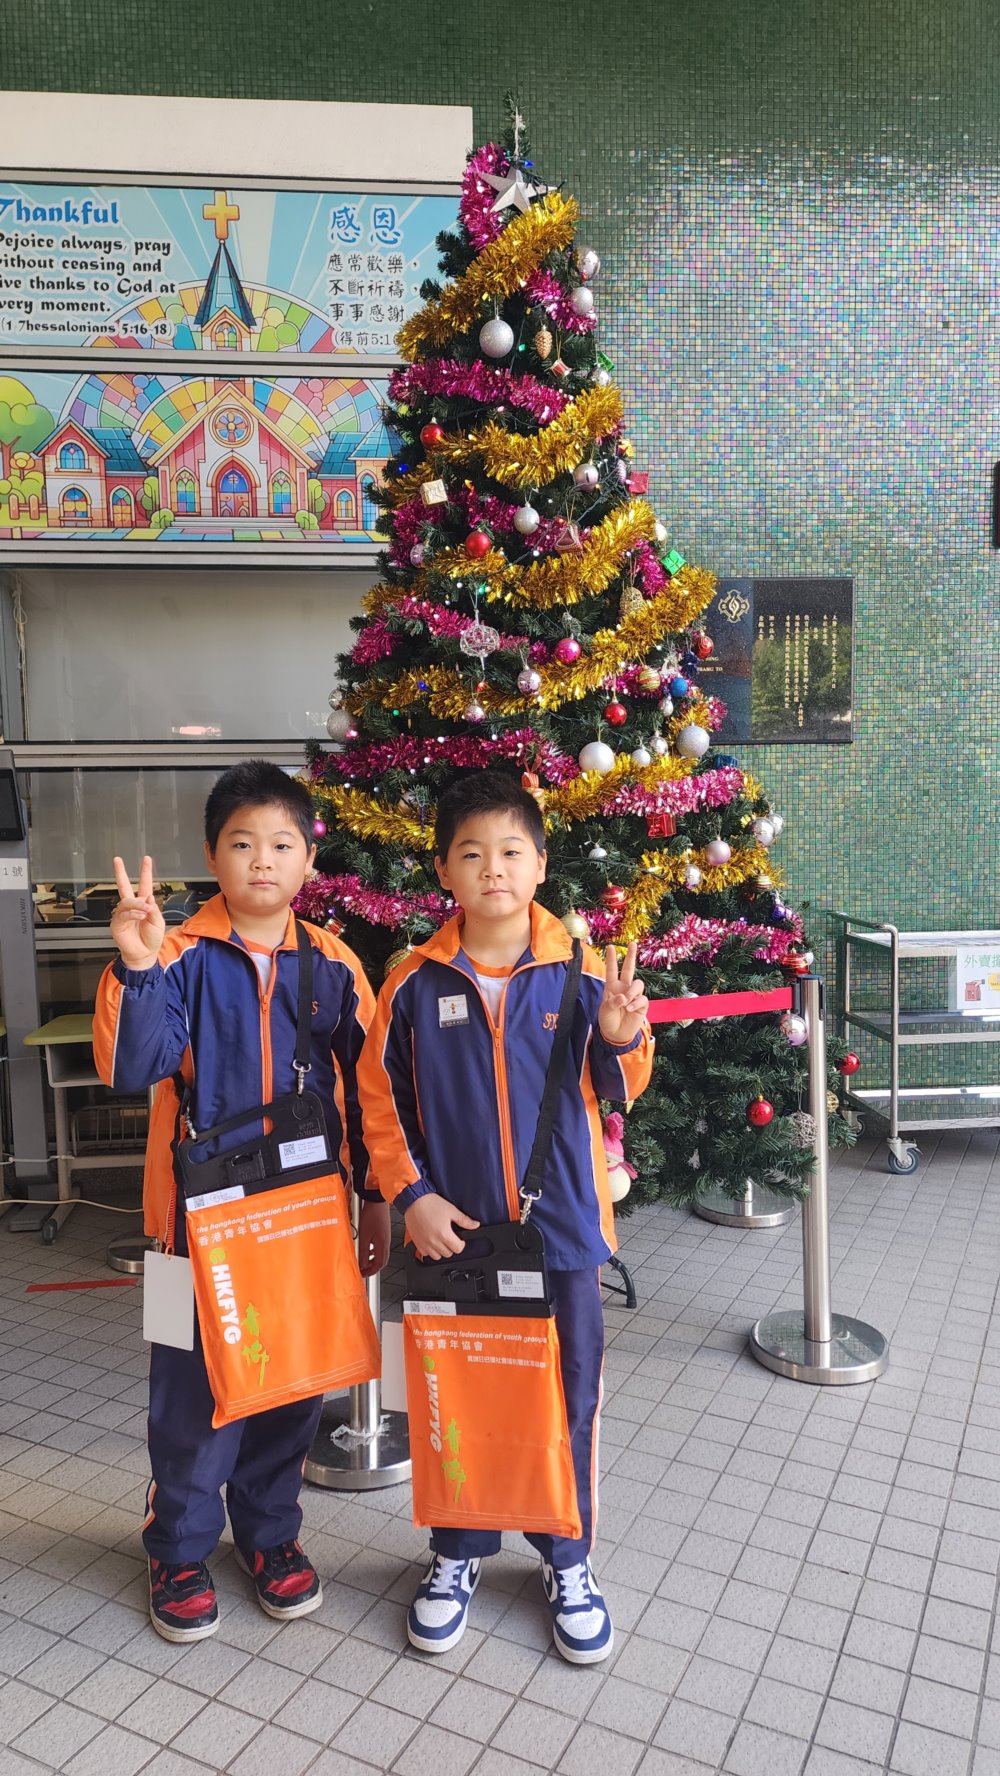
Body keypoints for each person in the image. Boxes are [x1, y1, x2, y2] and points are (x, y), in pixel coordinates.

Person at [358, 769, 653, 1665]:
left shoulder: (580, 971)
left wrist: (622, 1037)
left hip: (560, 1236)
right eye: (472, 853)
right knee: (458, 1396)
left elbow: (622, 1089)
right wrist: (412, 1196)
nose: (494, 868)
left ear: (541, 863)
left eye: (512, 851)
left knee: (569, 1398)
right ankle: (456, 1553)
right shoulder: (413, 984)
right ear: (443, 870)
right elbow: (381, 1105)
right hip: (455, 1238)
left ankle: (569, 1560)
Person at [94, 759, 388, 1644]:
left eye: (283, 844)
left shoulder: (334, 964)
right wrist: (136, 966)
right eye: (243, 843)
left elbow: (375, 1093)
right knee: (185, 1401)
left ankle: (270, 1536)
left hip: (303, 1225)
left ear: (309, 860)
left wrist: (376, 1199)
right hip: (181, 1233)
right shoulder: (173, 954)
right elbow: (131, 1068)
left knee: (290, 1387)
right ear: (212, 857)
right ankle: (177, 1550)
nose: (264, 860)